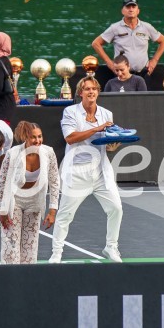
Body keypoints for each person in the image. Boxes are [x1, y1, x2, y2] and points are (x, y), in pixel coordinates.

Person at [49, 76, 124, 263]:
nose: (91, 92)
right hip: (76, 171)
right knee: (65, 214)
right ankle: (56, 252)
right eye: (87, 89)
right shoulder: (70, 112)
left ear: (98, 92)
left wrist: (114, 144)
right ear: (80, 93)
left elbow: (107, 144)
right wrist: (97, 128)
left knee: (116, 209)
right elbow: (70, 138)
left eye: (94, 89)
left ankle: (111, 247)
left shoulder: (107, 114)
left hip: (100, 171)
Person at [0, 121, 60, 264]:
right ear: (26, 138)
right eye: (33, 137)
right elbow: (2, 182)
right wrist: (2, 210)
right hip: (14, 201)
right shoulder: (13, 154)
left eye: (40, 136)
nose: (38, 141)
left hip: (34, 202)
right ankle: (10, 280)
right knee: (10, 246)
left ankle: (27, 281)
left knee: (30, 247)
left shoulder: (48, 153)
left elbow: (54, 181)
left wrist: (52, 211)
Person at [92, 0, 164, 76]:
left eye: (133, 7)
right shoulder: (115, 28)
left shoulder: (146, 27)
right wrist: (109, 63)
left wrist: (154, 60)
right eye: (128, 7)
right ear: (122, 11)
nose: (131, 9)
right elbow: (96, 43)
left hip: (143, 73)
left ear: (138, 11)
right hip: (121, 75)